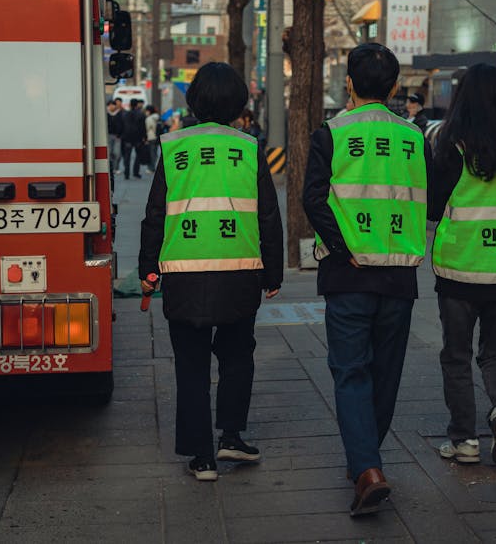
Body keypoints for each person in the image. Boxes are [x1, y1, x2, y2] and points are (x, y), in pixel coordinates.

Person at [139, 62, 284, 483]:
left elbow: (155, 214)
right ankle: (232, 436)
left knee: (191, 363)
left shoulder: (172, 147)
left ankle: (202, 457)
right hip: (239, 270)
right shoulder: (249, 147)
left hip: (184, 273)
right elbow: (267, 215)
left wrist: (149, 269)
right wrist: (272, 272)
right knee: (238, 355)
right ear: (238, 103)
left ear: (195, 100)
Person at [302, 43, 430, 517]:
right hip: (399, 272)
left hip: (348, 274)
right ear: (395, 87)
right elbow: (432, 200)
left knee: (350, 371)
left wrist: (342, 248)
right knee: (385, 373)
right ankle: (365, 462)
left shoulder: (332, 133)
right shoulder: (415, 136)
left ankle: (367, 468)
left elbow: (312, 199)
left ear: (350, 83)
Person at [427, 63, 496, 467]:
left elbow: (433, 206)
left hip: (459, 268)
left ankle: (463, 440)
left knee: (456, 355)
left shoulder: (452, 144)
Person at [120, 98, 146, 179]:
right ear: (137, 105)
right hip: (138, 138)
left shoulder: (125, 114)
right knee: (138, 156)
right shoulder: (141, 114)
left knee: (127, 156)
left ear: (130, 104)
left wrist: (122, 135)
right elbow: (143, 127)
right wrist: (144, 137)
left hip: (127, 138)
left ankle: (126, 173)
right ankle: (136, 172)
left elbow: (122, 126)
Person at [106, 97, 124, 175]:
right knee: (109, 153)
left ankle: (116, 168)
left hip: (117, 136)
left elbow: (122, 125)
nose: (112, 106)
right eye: (111, 105)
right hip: (108, 136)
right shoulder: (105, 114)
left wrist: (120, 134)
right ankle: (111, 168)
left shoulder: (119, 113)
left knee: (117, 153)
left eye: (113, 105)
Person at [144, 105, 160, 173]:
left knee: (151, 153)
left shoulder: (149, 118)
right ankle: (153, 167)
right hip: (156, 137)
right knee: (155, 153)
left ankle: (151, 168)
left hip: (151, 137)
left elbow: (147, 128)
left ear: (149, 111)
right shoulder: (157, 117)